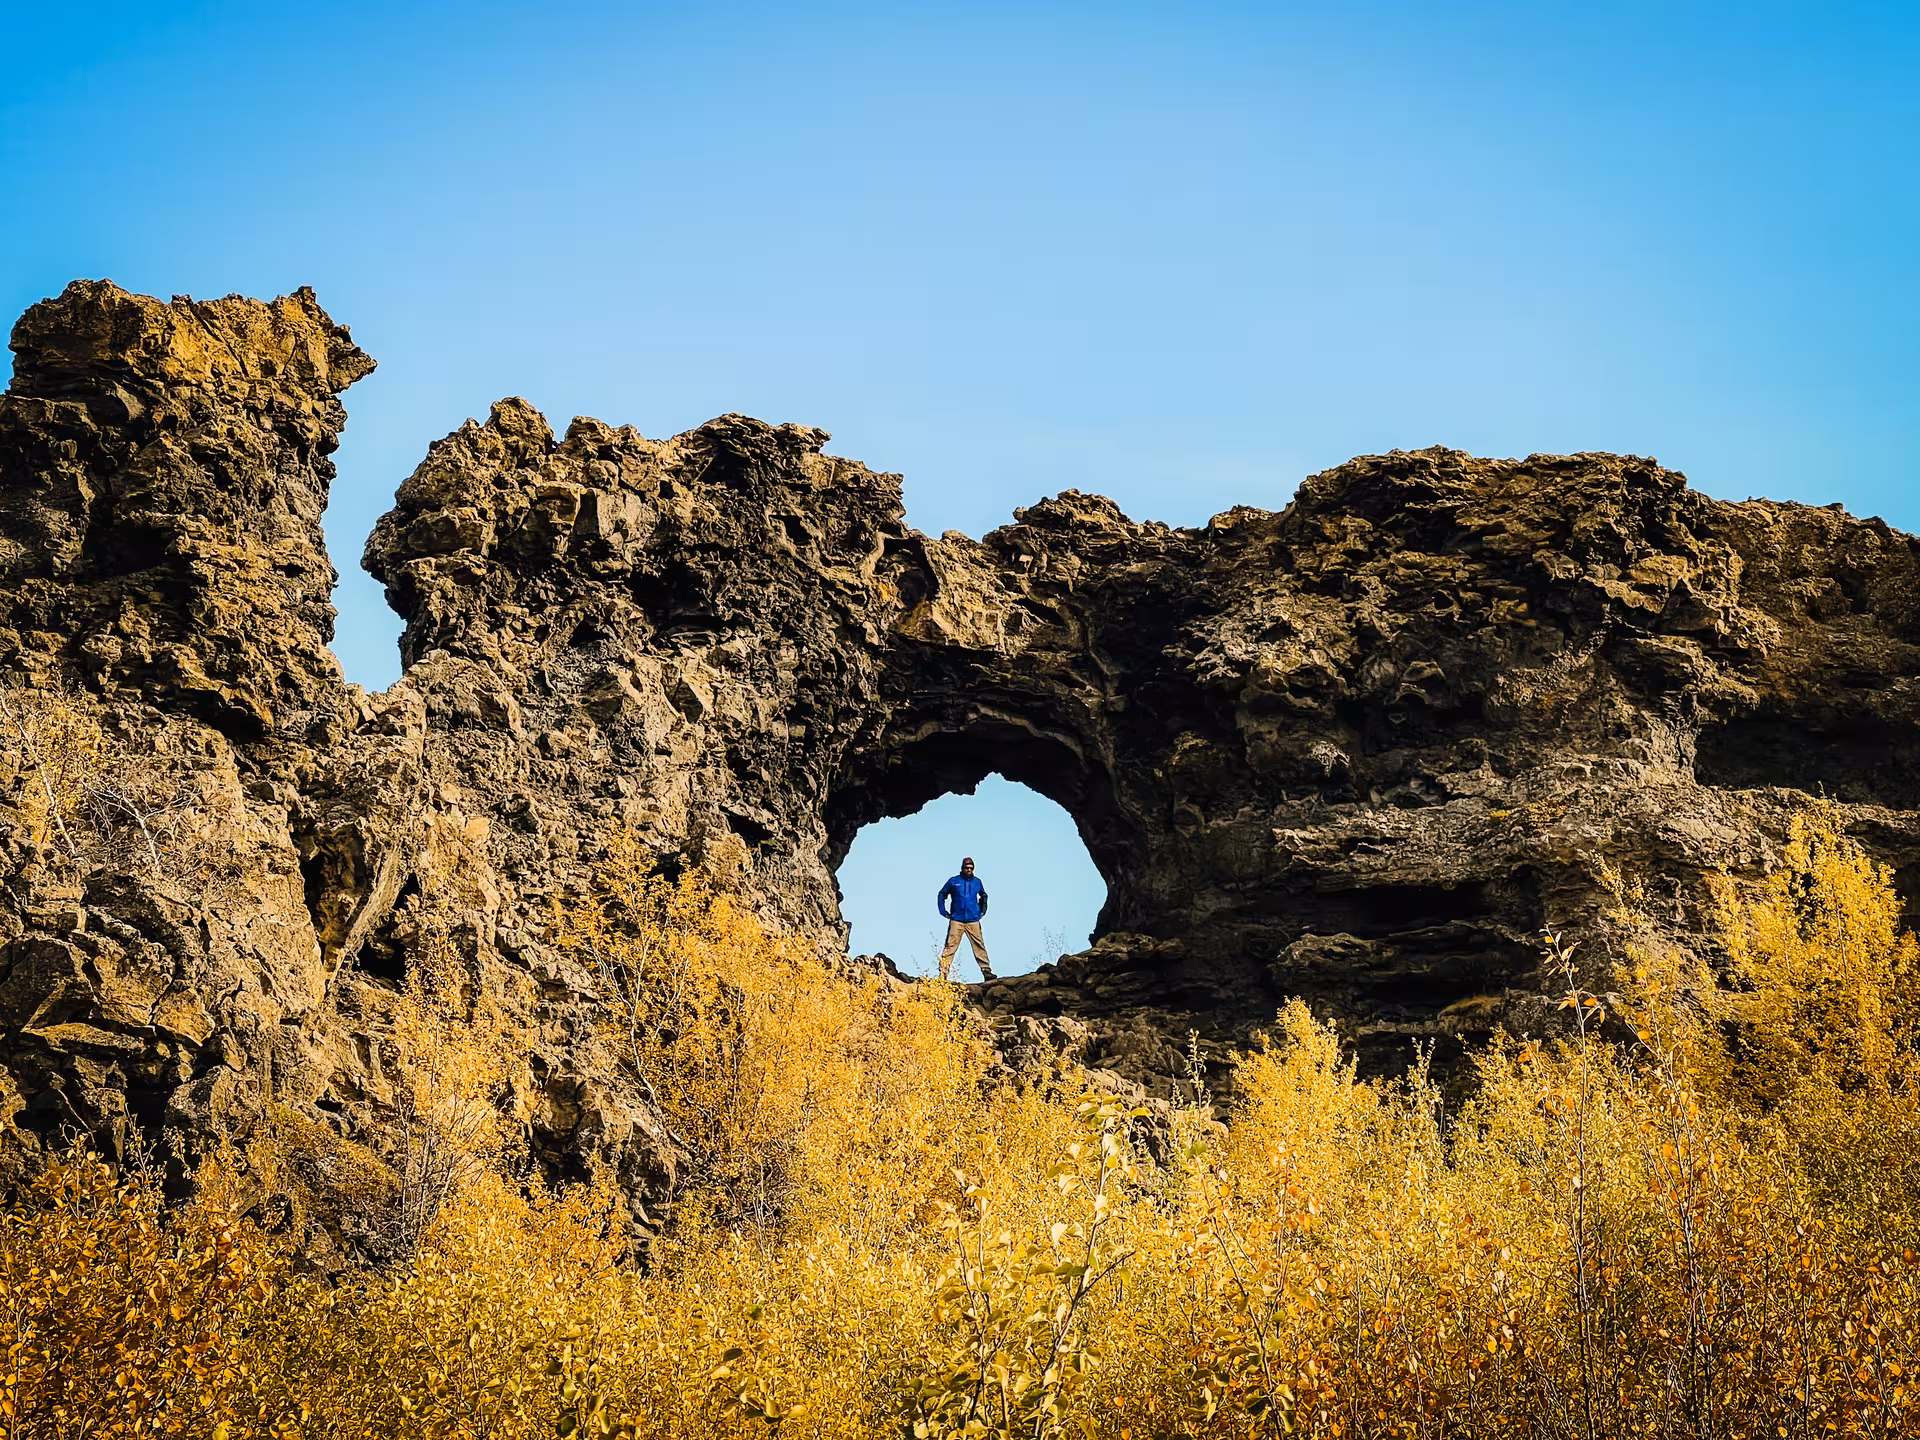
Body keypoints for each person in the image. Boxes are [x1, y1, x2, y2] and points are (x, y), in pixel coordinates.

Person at [936, 856, 995, 982]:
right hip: (956, 919)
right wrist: (943, 911)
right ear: (962, 868)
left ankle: (986, 971)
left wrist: (982, 911)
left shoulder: (977, 882)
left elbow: (983, 896)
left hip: (973, 920)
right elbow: (942, 894)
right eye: (966, 868)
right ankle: (943, 974)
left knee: (979, 945)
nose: (969, 870)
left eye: (971, 868)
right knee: (950, 946)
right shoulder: (953, 881)